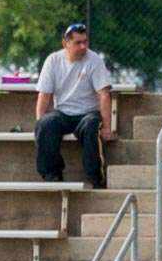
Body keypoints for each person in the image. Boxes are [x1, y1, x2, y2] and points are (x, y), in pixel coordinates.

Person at [34, 23, 112, 188]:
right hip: (62, 113)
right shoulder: (53, 60)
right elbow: (44, 95)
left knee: (92, 125)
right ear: (65, 44)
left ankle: (95, 178)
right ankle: (52, 176)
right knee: (46, 124)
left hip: (88, 113)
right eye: (78, 43)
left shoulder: (94, 60)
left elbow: (104, 94)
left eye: (85, 41)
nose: (83, 46)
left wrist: (106, 127)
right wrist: (40, 122)